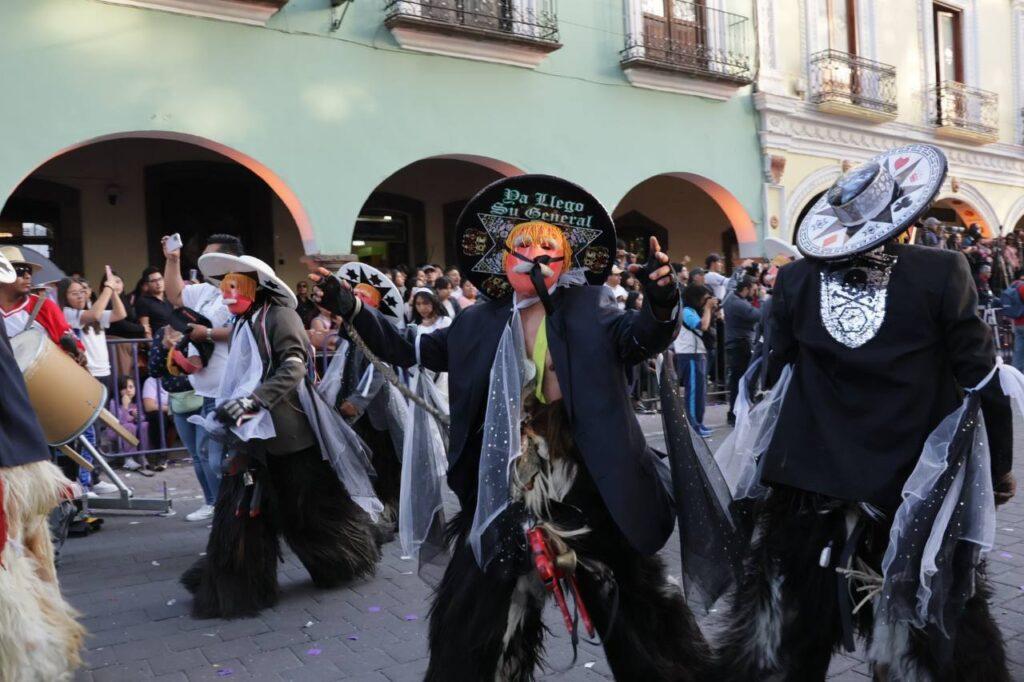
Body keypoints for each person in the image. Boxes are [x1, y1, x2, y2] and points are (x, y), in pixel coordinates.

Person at [315, 175, 712, 680]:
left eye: (549, 245)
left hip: (591, 488)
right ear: (503, 258)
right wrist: (350, 307)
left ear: (567, 258)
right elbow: (408, 347)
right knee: (474, 624)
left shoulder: (594, 309)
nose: (535, 252)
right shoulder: (476, 322)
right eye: (522, 244)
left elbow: (643, 337)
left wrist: (661, 300)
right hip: (504, 492)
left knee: (638, 619)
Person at [717, 144, 1015, 680]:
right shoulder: (944, 270)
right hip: (911, 487)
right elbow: (981, 379)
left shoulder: (797, 278)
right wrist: (998, 470)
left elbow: (773, 374)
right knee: (931, 628)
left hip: (811, 481)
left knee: (791, 631)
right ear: (902, 215)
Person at [181, 252, 383, 619]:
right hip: (250, 434)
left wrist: (253, 401)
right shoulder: (244, 322)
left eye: (235, 284)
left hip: (286, 433)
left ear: (257, 286)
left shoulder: (279, 316)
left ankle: (345, 558)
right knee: (241, 512)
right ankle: (234, 582)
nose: (228, 292)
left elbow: (294, 365)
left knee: (308, 511)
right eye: (225, 284)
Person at [0, 249, 86, 682]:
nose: (24, 278)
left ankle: (33, 660)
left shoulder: (42, 308)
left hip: (10, 463)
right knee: (23, 560)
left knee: (15, 564)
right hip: (18, 457)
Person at [163, 234, 241, 522]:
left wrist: (206, 334)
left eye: (211, 256)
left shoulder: (242, 289)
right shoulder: (207, 291)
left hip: (227, 390)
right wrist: (173, 259)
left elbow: (244, 329)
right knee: (205, 456)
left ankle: (231, 515)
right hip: (202, 387)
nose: (204, 261)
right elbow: (175, 296)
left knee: (216, 458)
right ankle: (222, 510)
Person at [326, 262, 408, 523]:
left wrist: (357, 401)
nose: (356, 300)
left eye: (362, 297)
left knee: (385, 462)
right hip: (356, 415)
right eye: (355, 295)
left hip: (377, 413)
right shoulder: (350, 329)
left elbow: (379, 367)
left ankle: (392, 510)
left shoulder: (378, 328)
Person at [58, 269, 126, 399]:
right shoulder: (67, 313)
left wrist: (112, 292)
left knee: (105, 413)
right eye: (74, 293)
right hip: (86, 372)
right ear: (64, 296)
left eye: (82, 292)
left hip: (104, 370)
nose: (80, 296)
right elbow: (94, 314)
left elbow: (120, 314)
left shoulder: (92, 311)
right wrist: (109, 286)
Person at [673, 284, 716, 437]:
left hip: (698, 354)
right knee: (693, 393)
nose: (705, 301)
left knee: (700, 392)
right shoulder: (685, 311)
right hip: (689, 355)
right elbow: (702, 326)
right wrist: (708, 308)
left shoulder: (694, 311)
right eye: (704, 298)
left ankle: (699, 422)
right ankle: (693, 427)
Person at [723, 275, 760, 425]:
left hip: (737, 344)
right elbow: (757, 315)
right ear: (746, 289)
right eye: (753, 290)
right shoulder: (738, 303)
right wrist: (763, 300)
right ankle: (736, 412)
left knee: (739, 380)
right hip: (740, 345)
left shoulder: (732, 298)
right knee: (742, 380)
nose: (755, 293)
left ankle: (737, 411)